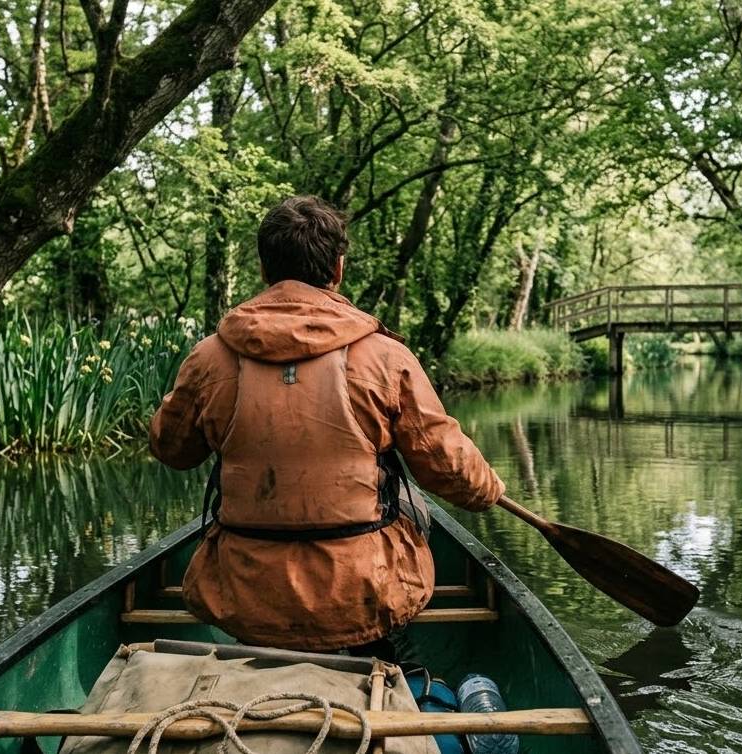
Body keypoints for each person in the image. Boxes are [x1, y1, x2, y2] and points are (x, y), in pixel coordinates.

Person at [149, 195, 504, 652]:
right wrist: (489, 488)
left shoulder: (207, 358)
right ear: (338, 269)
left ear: (265, 269)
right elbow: (450, 471)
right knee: (412, 500)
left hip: (241, 596)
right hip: (361, 598)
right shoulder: (387, 358)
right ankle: (377, 656)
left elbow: (171, 449)